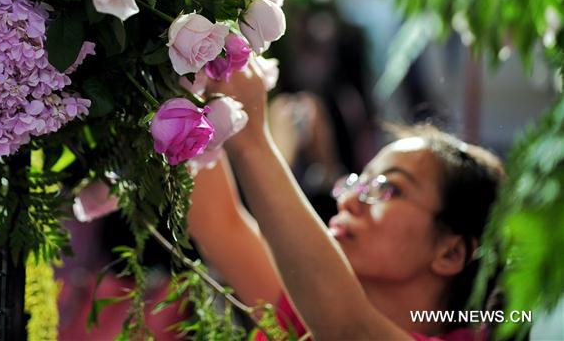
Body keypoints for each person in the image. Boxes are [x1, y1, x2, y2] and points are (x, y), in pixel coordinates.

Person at [188, 58, 505, 340]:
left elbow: (349, 330)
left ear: (450, 253)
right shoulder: (308, 310)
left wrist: (252, 140)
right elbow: (218, 222)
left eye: (386, 188)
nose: (348, 201)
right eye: (357, 182)